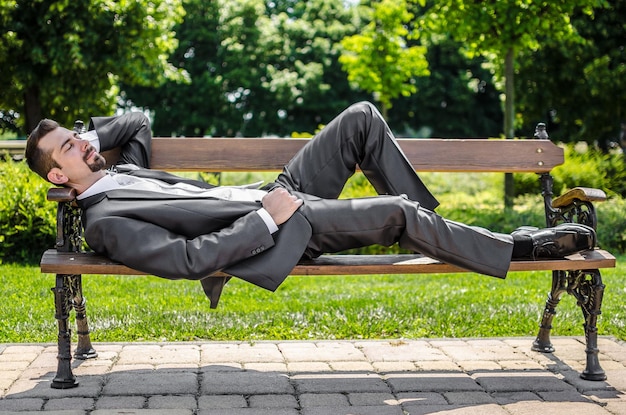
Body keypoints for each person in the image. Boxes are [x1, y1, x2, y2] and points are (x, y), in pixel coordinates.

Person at [25, 102, 595, 303]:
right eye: (67, 149)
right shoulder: (104, 221)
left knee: (360, 120)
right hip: (278, 225)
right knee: (395, 212)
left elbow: (136, 120)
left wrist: (91, 140)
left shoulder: (125, 167)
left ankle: (436, 227)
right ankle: (516, 245)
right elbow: (187, 260)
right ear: (55, 172)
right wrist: (262, 220)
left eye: (79, 138)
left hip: (270, 194)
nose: (81, 145)